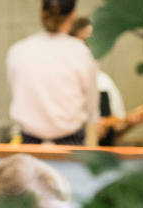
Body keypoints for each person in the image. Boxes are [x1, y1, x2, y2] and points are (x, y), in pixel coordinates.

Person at [6, 0, 100, 146]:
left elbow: (15, 93)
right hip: (71, 146)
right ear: (72, 14)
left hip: (29, 144)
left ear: (40, 10)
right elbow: (92, 109)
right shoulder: (81, 53)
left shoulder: (17, 51)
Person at [68, 17, 143, 146]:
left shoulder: (103, 82)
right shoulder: (58, 84)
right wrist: (88, 131)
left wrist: (130, 123)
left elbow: (116, 128)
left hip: (102, 159)